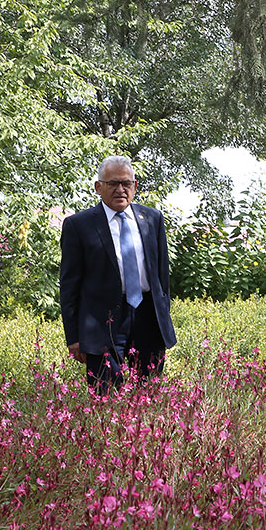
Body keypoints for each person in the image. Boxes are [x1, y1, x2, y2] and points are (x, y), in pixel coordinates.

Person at [59, 156, 176, 391]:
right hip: (101, 324)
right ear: (98, 187)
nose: (120, 189)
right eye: (113, 184)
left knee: (150, 396)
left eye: (126, 183)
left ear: (134, 186)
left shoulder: (152, 219)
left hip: (148, 318)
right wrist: (73, 337)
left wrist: (163, 315)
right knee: (106, 400)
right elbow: (69, 285)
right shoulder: (78, 226)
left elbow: (162, 277)